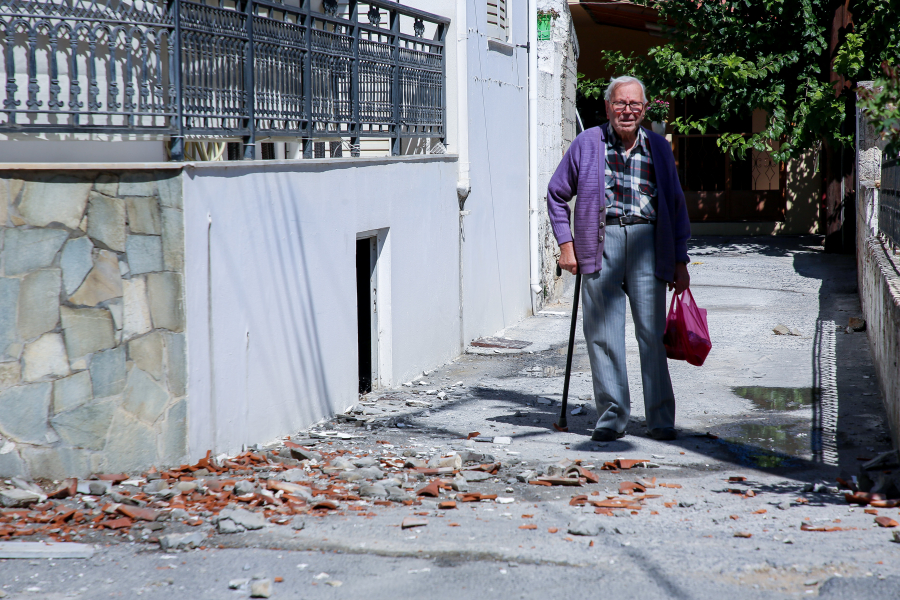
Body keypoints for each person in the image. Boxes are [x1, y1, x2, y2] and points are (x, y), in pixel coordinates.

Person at [547, 75, 691, 442]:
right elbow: (556, 193)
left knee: (652, 335)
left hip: (648, 243)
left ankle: (660, 419)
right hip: (600, 242)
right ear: (608, 106)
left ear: (644, 109)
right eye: (620, 104)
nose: (627, 111)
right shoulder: (586, 143)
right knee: (603, 335)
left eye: (634, 105)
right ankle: (612, 416)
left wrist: (680, 261)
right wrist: (567, 245)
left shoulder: (658, 148)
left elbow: (675, 206)